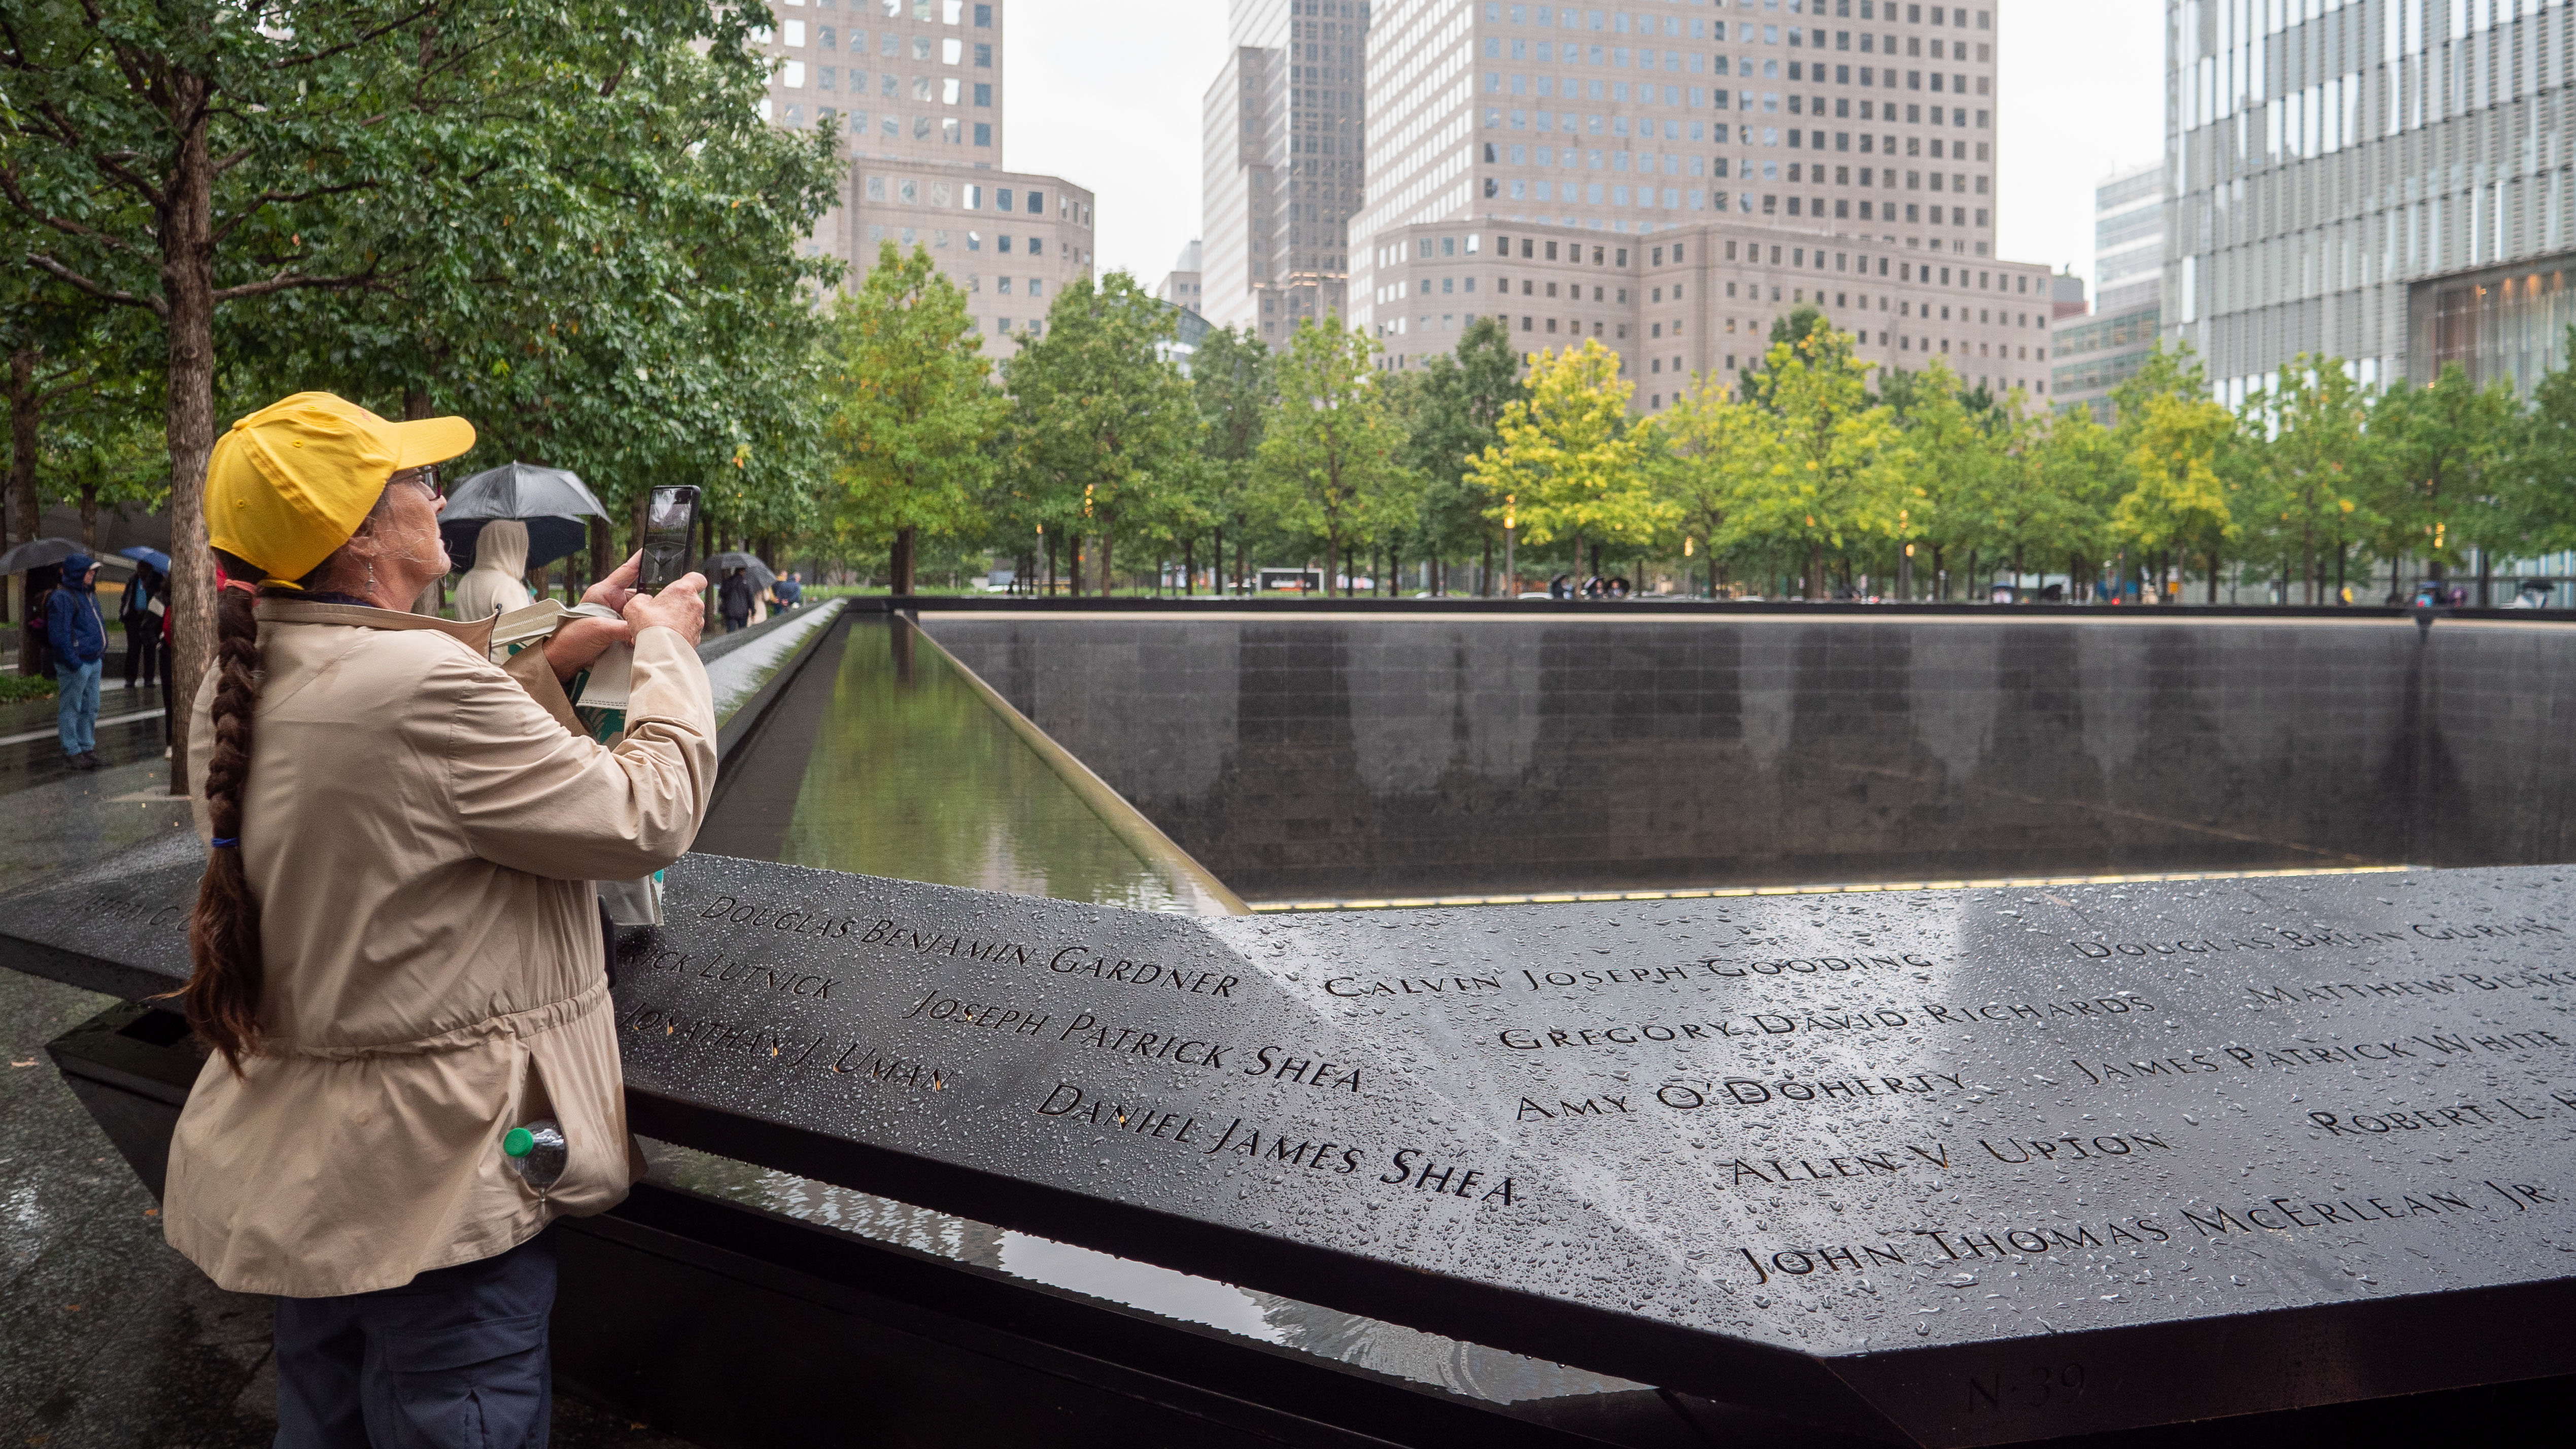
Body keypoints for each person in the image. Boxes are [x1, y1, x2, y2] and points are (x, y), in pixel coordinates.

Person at [167, 391, 715, 1449]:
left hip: (312, 1175)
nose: (438, 498)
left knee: (323, 1418)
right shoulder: (423, 689)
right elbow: (643, 816)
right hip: (440, 1182)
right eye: (414, 481)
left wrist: (549, 643)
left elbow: (400, 728)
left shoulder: (239, 685)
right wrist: (670, 657)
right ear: (365, 535)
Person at [45, 553, 107, 771]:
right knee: (72, 706)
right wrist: (74, 662)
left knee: (91, 706)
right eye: (89, 571)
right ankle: (72, 749)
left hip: (92, 660)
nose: (92, 575)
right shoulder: (63, 598)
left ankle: (86, 747)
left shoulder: (88, 595)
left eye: (93, 571)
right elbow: (59, 636)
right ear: (77, 573)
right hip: (78, 663)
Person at [452, 518, 535, 620]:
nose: (526, 555)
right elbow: (523, 632)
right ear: (510, 547)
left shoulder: (466, 580)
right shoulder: (507, 585)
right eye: (521, 547)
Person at [120, 560, 164, 692]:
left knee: (150, 650)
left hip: (150, 620)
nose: (140, 571)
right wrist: (124, 614)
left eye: (142, 569)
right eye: (138, 568)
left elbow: (159, 598)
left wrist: (147, 588)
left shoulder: (157, 580)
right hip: (134, 619)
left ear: (149, 568)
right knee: (133, 650)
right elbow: (126, 598)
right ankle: (130, 679)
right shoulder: (134, 579)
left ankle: (149, 679)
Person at [718, 565, 756, 633]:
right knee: (743, 632)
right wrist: (753, 611)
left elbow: (722, 594)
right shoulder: (746, 583)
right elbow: (750, 598)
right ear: (742, 572)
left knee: (731, 633)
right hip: (743, 612)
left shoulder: (727, 582)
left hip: (730, 611)